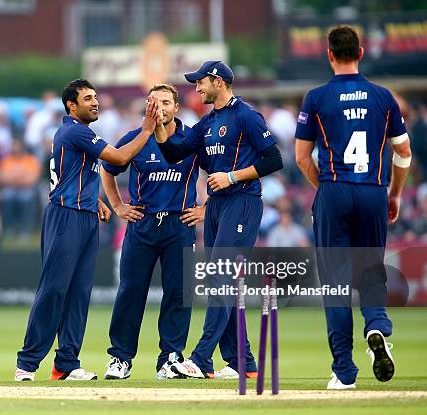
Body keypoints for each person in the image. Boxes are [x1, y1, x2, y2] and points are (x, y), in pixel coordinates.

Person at [14, 79, 159, 381]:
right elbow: (119, 158)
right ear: (71, 105)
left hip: (86, 216)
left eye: (96, 97)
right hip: (65, 217)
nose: (95, 103)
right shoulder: (74, 131)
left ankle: (67, 362)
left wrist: (97, 200)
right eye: (88, 98)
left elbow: (74, 175)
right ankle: (27, 363)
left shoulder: (82, 133)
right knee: (54, 290)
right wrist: (146, 130)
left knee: (79, 293)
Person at [294, 25, 411, 390]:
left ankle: (344, 371)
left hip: (334, 191)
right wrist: (393, 194)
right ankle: (376, 323)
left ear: (329, 54)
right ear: (360, 53)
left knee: (335, 284)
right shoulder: (383, 97)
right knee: (371, 270)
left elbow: (301, 158)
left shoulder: (316, 98)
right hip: (374, 190)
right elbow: (404, 152)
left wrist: (326, 188)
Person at [153, 61, 283, 379]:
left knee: (221, 278)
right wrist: (155, 125)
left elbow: (274, 159)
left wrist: (232, 177)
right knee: (223, 281)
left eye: (200, 82)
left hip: (242, 203)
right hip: (216, 207)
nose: (196, 88)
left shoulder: (246, 115)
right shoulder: (208, 122)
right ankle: (243, 362)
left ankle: (201, 359)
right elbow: (174, 153)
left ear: (218, 82)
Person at [100, 84, 205, 380]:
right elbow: (108, 169)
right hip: (142, 224)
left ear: (176, 108)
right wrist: (118, 206)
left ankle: (170, 359)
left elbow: (219, 171)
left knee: (178, 294)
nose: (159, 107)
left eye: (166, 102)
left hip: (179, 224)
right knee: (130, 292)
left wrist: (205, 210)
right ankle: (120, 358)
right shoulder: (135, 138)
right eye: (153, 102)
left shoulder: (191, 140)